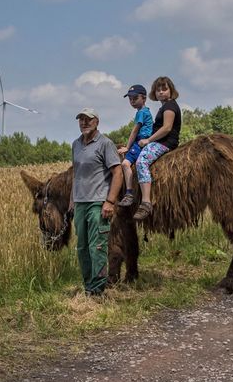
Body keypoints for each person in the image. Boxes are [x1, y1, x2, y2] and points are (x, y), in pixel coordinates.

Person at [67, 107, 122, 296]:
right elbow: (76, 174)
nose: (84, 122)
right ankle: (88, 286)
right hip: (80, 202)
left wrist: (110, 201)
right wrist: (72, 200)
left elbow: (117, 173)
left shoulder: (105, 144)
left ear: (96, 121)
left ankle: (98, 290)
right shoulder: (76, 145)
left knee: (97, 246)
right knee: (82, 247)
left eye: (88, 119)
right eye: (81, 119)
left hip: (98, 202)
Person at [132, 75, 182, 222]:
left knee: (141, 162)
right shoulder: (165, 106)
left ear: (171, 90)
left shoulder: (170, 106)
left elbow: (166, 128)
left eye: (164, 89)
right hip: (161, 141)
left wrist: (148, 140)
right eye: (158, 89)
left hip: (165, 142)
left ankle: (146, 202)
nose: (161, 92)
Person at [117, 84, 153, 207]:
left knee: (125, 164)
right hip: (143, 140)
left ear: (144, 98)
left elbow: (135, 131)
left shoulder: (141, 113)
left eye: (135, 98)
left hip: (140, 141)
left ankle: (129, 193)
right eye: (130, 99)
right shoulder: (145, 111)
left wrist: (127, 147)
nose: (132, 101)